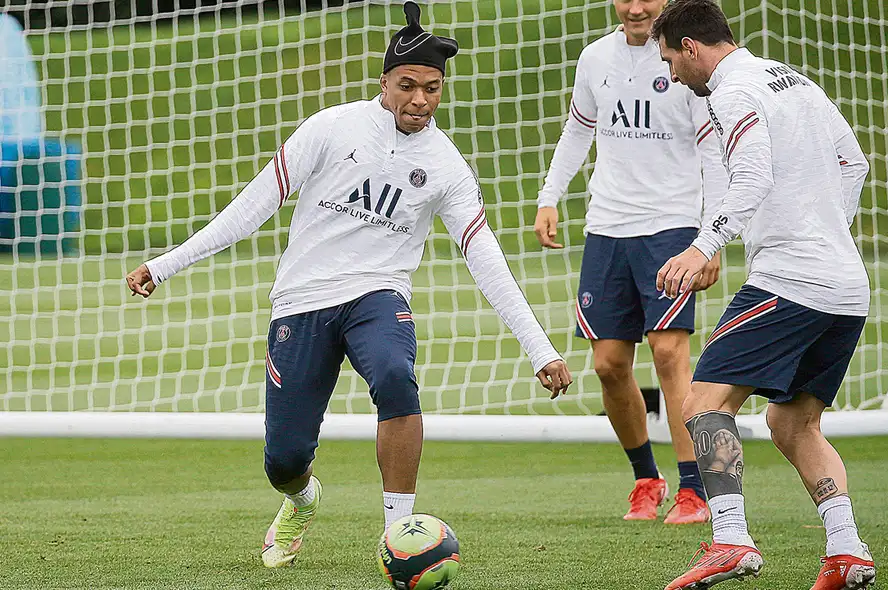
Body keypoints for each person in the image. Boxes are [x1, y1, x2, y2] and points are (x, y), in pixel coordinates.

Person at [125, 1, 572, 569]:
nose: (420, 100)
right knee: (283, 461)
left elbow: (485, 259)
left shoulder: (447, 165)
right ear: (383, 81)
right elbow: (252, 207)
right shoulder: (331, 128)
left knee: (394, 375)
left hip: (378, 295)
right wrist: (165, 264)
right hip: (302, 300)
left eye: (432, 88)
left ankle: (399, 535)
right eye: (407, 85)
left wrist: (541, 350)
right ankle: (302, 499)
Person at [649, 1, 875, 588]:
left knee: (703, 403)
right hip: (847, 287)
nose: (672, 73)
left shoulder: (732, 90)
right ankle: (847, 550)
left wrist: (705, 245)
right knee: (793, 423)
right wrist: (827, 230)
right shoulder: (796, 82)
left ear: (692, 48)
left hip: (789, 282)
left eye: (672, 58)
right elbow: (855, 163)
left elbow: (752, 175)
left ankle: (730, 540)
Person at [534, 0, 727, 524]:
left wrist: (711, 238)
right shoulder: (595, 58)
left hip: (671, 226)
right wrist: (550, 196)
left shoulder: (684, 59)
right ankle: (647, 479)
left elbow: (713, 153)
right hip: (607, 227)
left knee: (668, 353)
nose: (636, 7)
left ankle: (695, 488)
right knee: (608, 364)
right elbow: (578, 132)